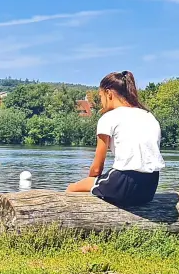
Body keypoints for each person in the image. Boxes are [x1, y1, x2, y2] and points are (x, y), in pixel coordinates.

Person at [67, 71, 165, 206]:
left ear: (109, 93)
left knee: (72, 188)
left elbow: (96, 168)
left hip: (123, 184)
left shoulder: (109, 118)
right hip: (150, 188)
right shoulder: (149, 116)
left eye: (100, 96)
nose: (101, 102)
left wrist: (90, 183)